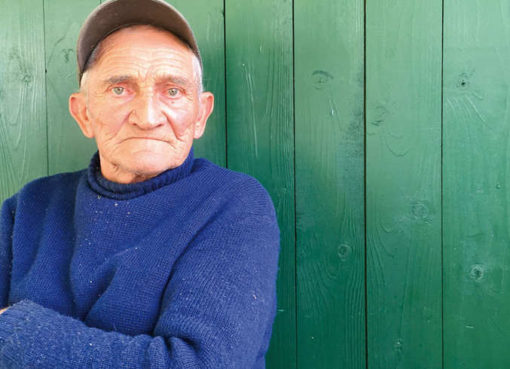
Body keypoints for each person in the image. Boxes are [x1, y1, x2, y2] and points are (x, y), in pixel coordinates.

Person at [0, 0, 280, 368]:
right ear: (83, 113)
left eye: (173, 91)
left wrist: (12, 331)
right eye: (120, 89)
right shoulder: (32, 205)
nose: (147, 118)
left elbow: (200, 363)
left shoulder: (232, 204)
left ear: (200, 114)